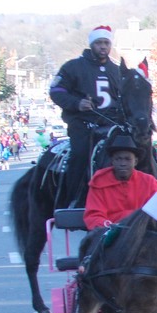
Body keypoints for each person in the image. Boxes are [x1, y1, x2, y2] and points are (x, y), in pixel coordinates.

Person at [49, 25, 125, 207]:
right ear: (92, 44)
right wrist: (77, 103)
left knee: (134, 151)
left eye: (106, 43)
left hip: (112, 124)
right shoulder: (72, 67)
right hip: (83, 123)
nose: (103, 47)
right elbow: (56, 90)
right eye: (99, 43)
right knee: (81, 154)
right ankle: (72, 199)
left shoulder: (116, 70)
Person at [82, 133, 157, 230]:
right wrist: (109, 228)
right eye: (118, 159)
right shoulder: (99, 182)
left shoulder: (149, 182)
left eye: (128, 159)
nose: (123, 163)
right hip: (109, 233)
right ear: (112, 161)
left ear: (135, 161)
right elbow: (93, 215)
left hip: (142, 233)